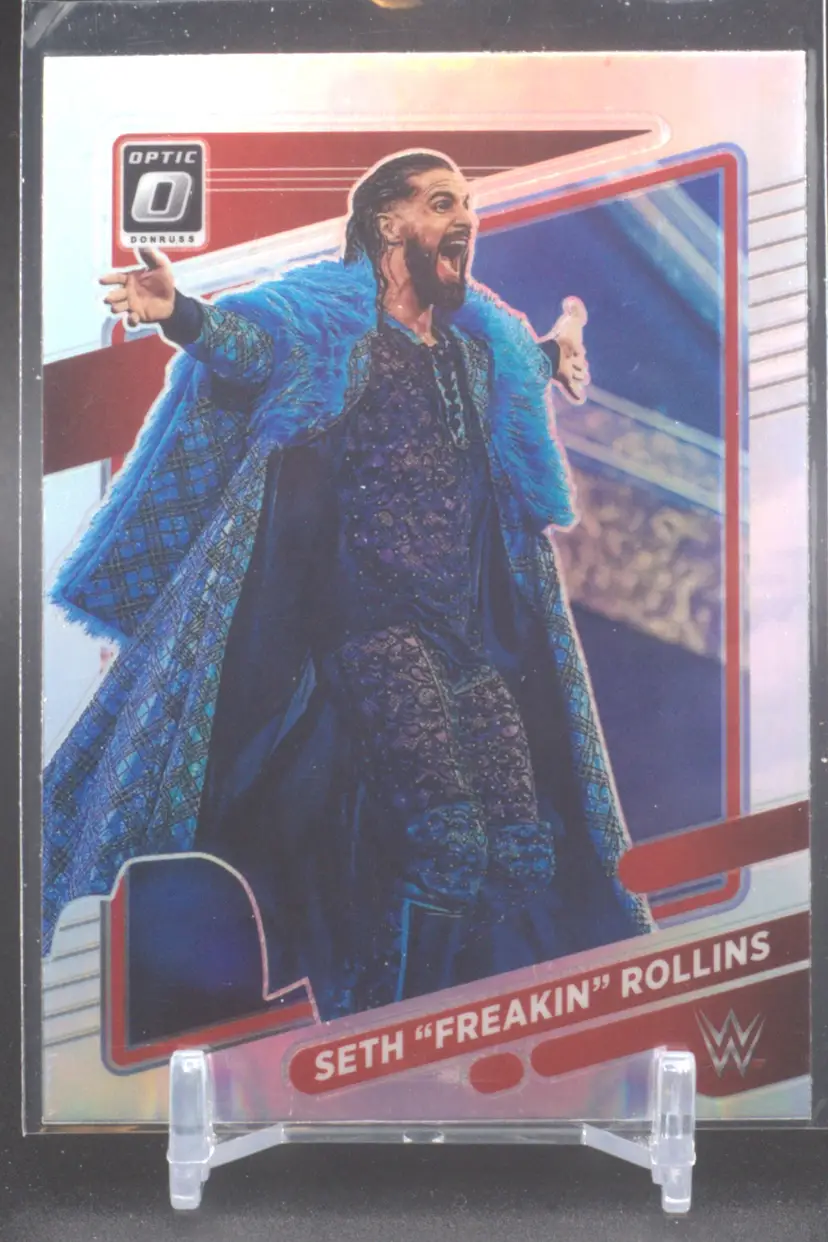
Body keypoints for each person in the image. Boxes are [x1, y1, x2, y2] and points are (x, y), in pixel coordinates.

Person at [45, 150, 650, 1017]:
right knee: (447, 846)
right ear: (388, 222)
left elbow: (521, 359)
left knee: (522, 857)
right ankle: (380, 1023)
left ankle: (424, 1008)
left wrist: (554, 352)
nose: (464, 218)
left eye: (468, 203)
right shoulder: (330, 329)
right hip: (370, 630)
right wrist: (179, 313)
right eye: (441, 203)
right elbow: (253, 348)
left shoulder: (475, 351)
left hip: (462, 637)